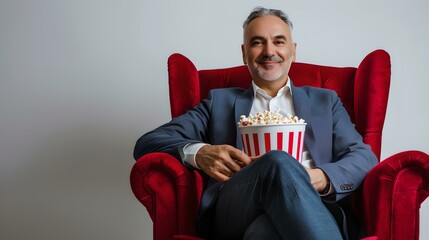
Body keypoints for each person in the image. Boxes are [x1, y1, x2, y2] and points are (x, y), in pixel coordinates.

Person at [134, 7, 377, 240]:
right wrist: (201, 152)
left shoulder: (325, 101)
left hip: (313, 206)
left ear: (293, 50)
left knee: (264, 231)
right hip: (236, 206)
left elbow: (362, 156)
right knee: (277, 160)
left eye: (279, 42)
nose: (269, 51)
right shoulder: (219, 102)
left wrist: (319, 177)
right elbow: (148, 142)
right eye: (257, 42)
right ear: (244, 52)